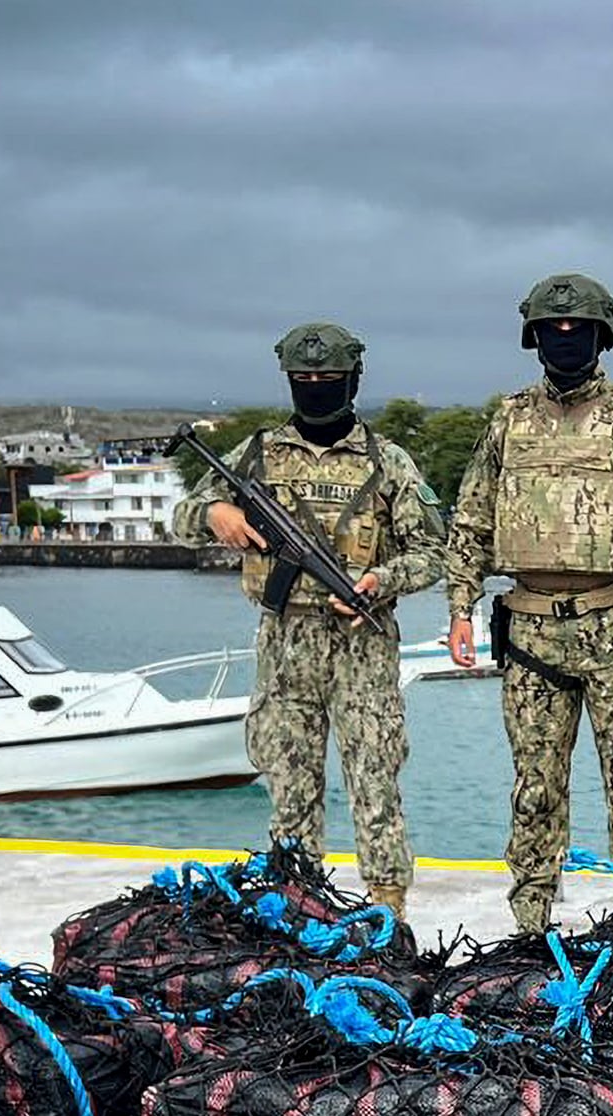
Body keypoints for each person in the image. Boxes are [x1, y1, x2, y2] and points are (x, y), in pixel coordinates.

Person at [443, 272, 613, 934]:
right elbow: (471, 520)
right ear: (533, 338)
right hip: (532, 632)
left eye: (578, 331)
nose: (565, 341)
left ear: (603, 337)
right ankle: (531, 922)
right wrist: (459, 606)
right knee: (533, 790)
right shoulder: (508, 420)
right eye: (553, 331)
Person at [171, 320, 444, 920]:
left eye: (328, 378)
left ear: (353, 379)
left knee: (376, 783)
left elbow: (432, 553)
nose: (316, 387)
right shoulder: (255, 455)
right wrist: (215, 509)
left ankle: (388, 908)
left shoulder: (387, 462)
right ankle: (296, 907)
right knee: (290, 787)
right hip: (284, 645)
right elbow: (182, 516)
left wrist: (382, 580)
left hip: (362, 645)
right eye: (304, 378)